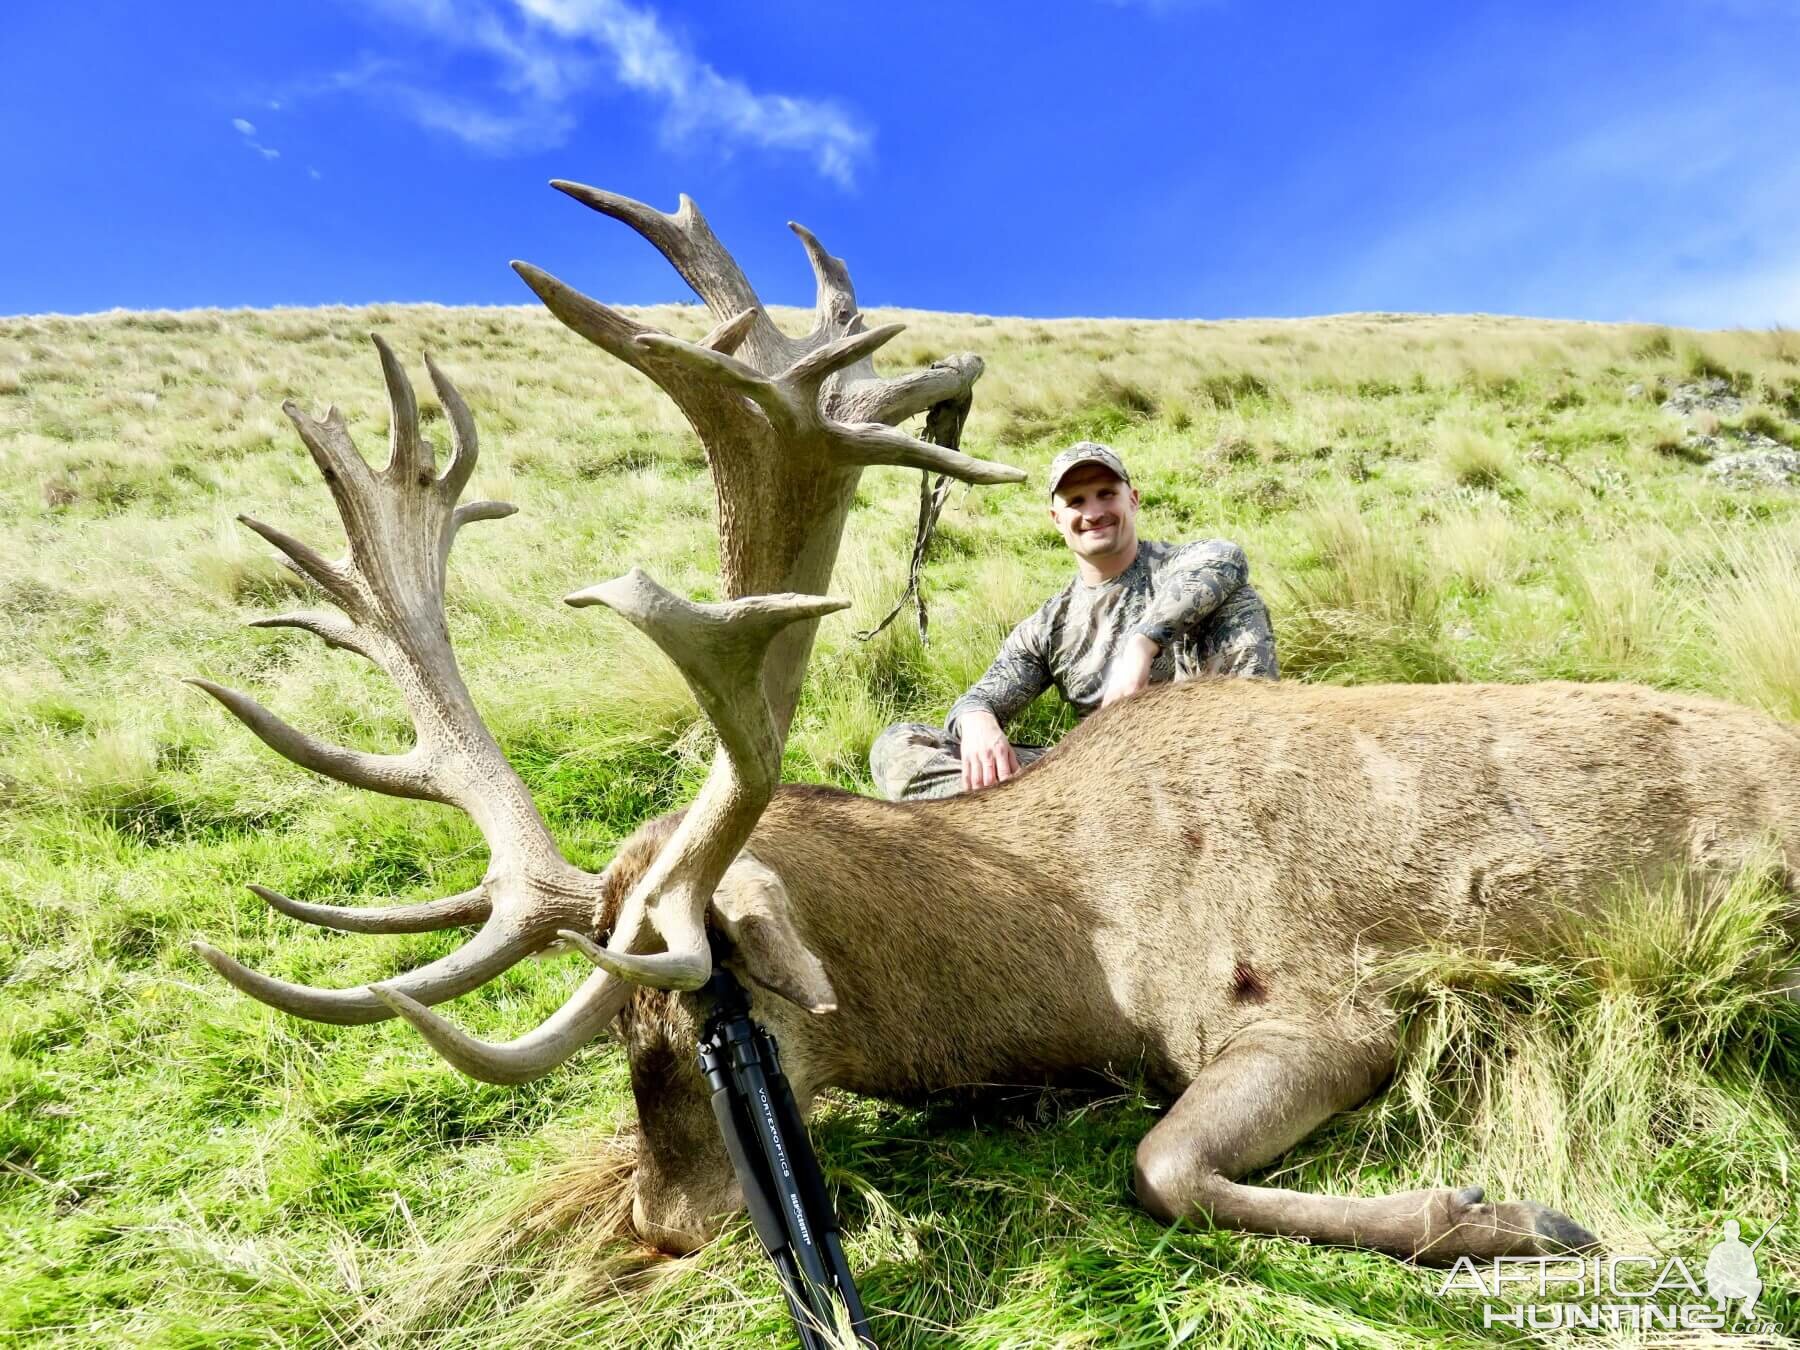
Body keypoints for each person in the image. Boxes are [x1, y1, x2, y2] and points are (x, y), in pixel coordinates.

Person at [869, 441, 1279, 801]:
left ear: (1132, 499)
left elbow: (1226, 557)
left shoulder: (1183, 565)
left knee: (1230, 598)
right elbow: (980, 698)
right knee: (899, 748)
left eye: (1106, 494)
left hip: (1210, 760)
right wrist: (978, 723)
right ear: (1056, 518)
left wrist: (1143, 643)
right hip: (1104, 781)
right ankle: (1046, 827)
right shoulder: (1050, 624)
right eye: (1077, 501)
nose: (1094, 512)